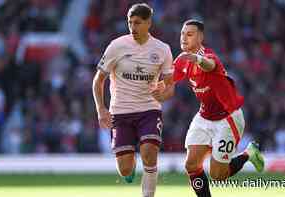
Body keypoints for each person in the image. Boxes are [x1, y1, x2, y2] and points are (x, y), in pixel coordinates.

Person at [173, 19, 265, 197]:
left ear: (200, 37)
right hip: (204, 116)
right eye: (182, 33)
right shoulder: (182, 61)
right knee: (191, 165)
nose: (184, 37)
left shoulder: (208, 56)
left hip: (227, 118)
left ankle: (248, 153)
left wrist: (197, 59)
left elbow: (210, 64)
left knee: (218, 175)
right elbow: (169, 81)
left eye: (189, 34)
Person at [92, 3, 174, 197]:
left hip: (149, 109)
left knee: (149, 152)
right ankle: (130, 165)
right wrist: (101, 110)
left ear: (148, 23)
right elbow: (98, 80)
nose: (132, 27)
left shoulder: (162, 50)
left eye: (137, 23)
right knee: (126, 169)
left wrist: (164, 94)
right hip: (120, 112)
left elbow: (170, 86)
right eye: (130, 22)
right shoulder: (117, 46)